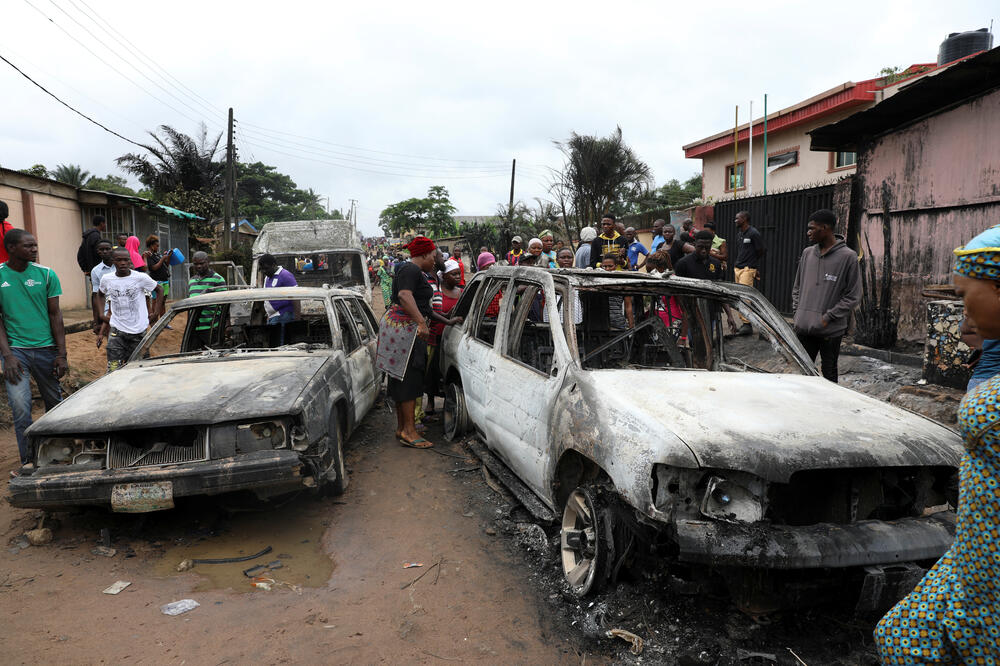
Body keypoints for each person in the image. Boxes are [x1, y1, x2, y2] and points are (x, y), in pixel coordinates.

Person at [874, 224, 1000, 663]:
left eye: (967, 295)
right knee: (901, 637)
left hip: (990, 572)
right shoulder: (992, 351)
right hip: (973, 550)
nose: (961, 309)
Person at [0, 229, 67, 473]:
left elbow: (55, 315)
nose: (34, 249)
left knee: (55, 404)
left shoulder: (47, 275)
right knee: (20, 406)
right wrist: (7, 356)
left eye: (35, 245)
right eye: (28, 246)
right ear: (11, 248)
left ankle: (58, 453)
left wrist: (62, 353)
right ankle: (28, 460)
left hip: (47, 349)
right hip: (16, 352)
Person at [376, 236, 438, 449]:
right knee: (410, 377)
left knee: (401, 377)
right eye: (433, 256)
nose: (434, 259)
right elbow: (404, 295)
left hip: (399, 328)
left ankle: (403, 428)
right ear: (423, 255)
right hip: (407, 332)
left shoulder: (407, 269)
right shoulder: (412, 270)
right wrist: (421, 323)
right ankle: (410, 431)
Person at [791, 209, 861, 383]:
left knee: (829, 373)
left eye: (812, 228)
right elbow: (797, 286)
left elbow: (853, 295)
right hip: (804, 328)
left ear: (825, 228)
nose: (808, 232)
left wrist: (827, 318)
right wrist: (798, 313)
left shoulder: (848, 257)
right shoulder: (808, 253)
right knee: (803, 373)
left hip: (829, 330)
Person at [97, 248, 162, 372]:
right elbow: (100, 294)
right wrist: (101, 314)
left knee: (140, 367)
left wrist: (156, 312)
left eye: (126, 260)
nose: (122, 263)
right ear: (113, 261)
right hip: (117, 330)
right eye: (119, 260)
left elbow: (159, 289)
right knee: (113, 367)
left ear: (129, 261)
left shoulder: (140, 277)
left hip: (138, 331)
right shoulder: (107, 278)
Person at [187, 251, 227, 349]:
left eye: (201, 263)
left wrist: (225, 326)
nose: (199, 266)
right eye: (196, 264)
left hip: (212, 329)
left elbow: (225, 305)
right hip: (194, 329)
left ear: (208, 262)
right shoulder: (192, 281)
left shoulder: (218, 280)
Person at [260, 253, 298, 344]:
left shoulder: (285, 275)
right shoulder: (267, 278)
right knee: (274, 344)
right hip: (273, 317)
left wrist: (297, 319)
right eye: (262, 269)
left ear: (273, 265)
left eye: (266, 268)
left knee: (280, 345)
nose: (264, 271)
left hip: (284, 316)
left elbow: (296, 296)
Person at [599, 252, 633, 328]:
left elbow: (628, 306)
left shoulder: (622, 282)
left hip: (618, 324)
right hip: (600, 324)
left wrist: (631, 327)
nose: (607, 269)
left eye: (610, 266)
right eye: (605, 266)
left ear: (616, 266)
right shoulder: (597, 282)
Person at [143, 235, 173, 319]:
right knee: (156, 302)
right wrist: (162, 259)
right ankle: (154, 320)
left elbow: (166, 265)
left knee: (163, 302)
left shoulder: (158, 254)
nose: (158, 247)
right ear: (152, 246)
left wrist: (168, 257)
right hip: (156, 282)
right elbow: (153, 268)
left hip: (165, 281)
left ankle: (163, 321)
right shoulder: (148, 255)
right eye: (157, 245)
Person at [733, 211, 765, 288]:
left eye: (737, 218)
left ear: (745, 219)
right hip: (737, 268)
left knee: (744, 295)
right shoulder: (739, 234)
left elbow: (761, 250)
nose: (735, 221)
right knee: (738, 294)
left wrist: (751, 265)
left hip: (747, 269)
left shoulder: (754, 233)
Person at [89, 240, 115, 334]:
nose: (105, 251)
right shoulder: (96, 271)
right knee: (112, 340)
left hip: (125, 308)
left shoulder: (120, 266)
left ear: (112, 249)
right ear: (98, 251)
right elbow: (96, 295)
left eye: (107, 249)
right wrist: (96, 321)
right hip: (107, 310)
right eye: (102, 249)